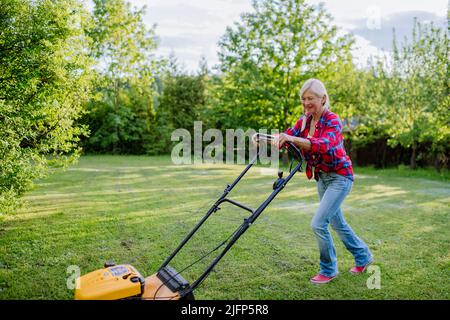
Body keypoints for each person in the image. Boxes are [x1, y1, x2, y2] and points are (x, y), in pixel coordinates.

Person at [275, 79, 373, 284]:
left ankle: (328, 269)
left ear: (323, 98)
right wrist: (266, 138)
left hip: (340, 177)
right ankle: (364, 256)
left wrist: (291, 139)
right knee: (337, 223)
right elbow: (288, 136)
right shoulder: (304, 120)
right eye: (303, 99)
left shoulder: (333, 120)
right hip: (322, 178)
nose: (306, 103)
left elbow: (322, 145)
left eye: (311, 98)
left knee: (318, 223)